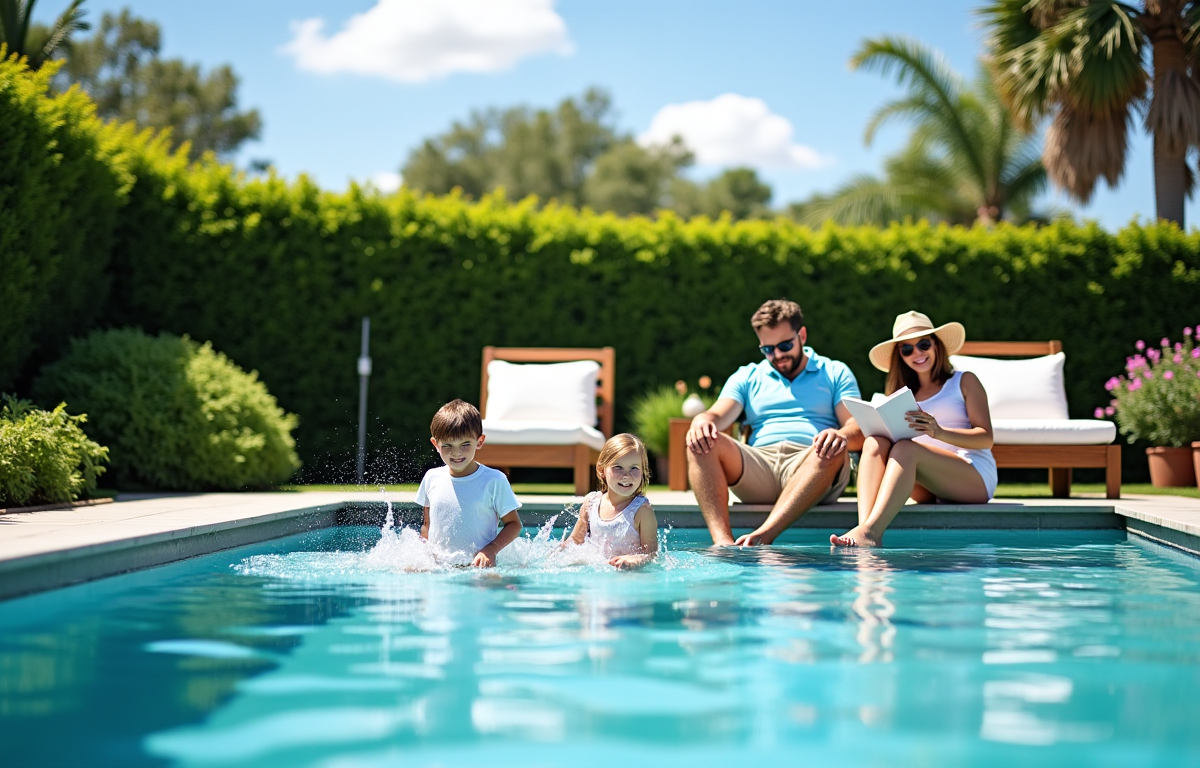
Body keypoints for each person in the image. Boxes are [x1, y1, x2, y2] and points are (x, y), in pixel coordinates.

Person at [686, 298, 864, 546]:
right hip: (761, 466)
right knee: (700, 441)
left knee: (833, 446)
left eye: (785, 345)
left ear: (802, 335)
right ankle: (723, 543)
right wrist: (701, 420)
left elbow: (857, 425)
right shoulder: (747, 376)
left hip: (813, 463)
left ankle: (764, 535)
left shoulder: (834, 372)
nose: (777, 355)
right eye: (768, 349)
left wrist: (841, 435)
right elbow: (716, 415)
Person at [831, 311, 996, 548]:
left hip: (973, 478)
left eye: (923, 344)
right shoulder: (902, 395)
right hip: (926, 481)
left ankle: (871, 532)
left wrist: (938, 432)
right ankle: (865, 529)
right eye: (907, 349)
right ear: (900, 355)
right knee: (874, 442)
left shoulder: (964, 381)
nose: (916, 353)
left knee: (907, 449)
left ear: (937, 345)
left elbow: (986, 438)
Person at [417, 399, 523, 566]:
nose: (456, 452)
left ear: (479, 441)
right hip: (441, 569)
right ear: (435, 444)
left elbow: (514, 524)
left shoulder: (494, 480)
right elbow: (427, 526)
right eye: (447, 445)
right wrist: (422, 557)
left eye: (465, 444)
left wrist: (491, 549)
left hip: (479, 567)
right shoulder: (431, 478)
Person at [566, 433, 659, 569]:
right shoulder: (591, 503)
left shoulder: (642, 511)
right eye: (618, 467)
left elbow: (652, 555)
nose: (626, 475)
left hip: (629, 579)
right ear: (602, 470)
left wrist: (635, 559)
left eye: (634, 468)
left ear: (643, 471)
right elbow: (573, 542)